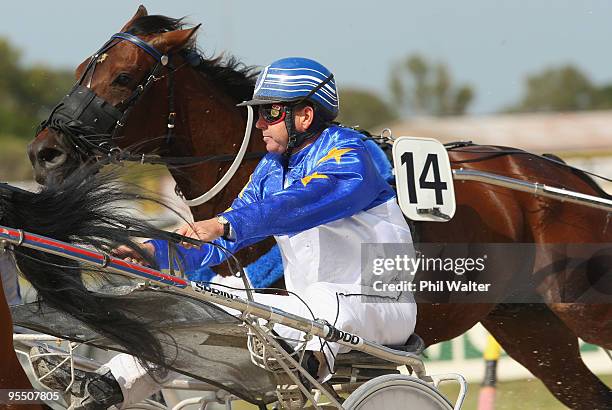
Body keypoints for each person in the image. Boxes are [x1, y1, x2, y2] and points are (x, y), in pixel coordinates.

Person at [33, 57, 417, 409]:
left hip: (373, 308)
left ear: (305, 116)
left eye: (271, 113)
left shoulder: (350, 153)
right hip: (311, 312)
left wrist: (223, 222)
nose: (261, 124)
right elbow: (225, 236)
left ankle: (298, 364)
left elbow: (303, 200)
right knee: (196, 301)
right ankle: (111, 384)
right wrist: (154, 252)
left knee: (313, 302)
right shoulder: (271, 168)